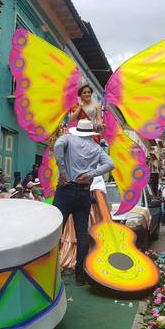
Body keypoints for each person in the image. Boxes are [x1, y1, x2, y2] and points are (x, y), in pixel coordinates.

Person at [53, 119, 114, 284]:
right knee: (82, 234)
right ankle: (80, 275)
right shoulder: (95, 148)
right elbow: (110, 164)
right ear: (90, 133)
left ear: (77, 130)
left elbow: (57, 145)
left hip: (65, 190)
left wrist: (62, 170)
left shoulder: (68, 139)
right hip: (83, 193)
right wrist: (91, 174)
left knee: (56, 231)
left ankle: (52, 273)